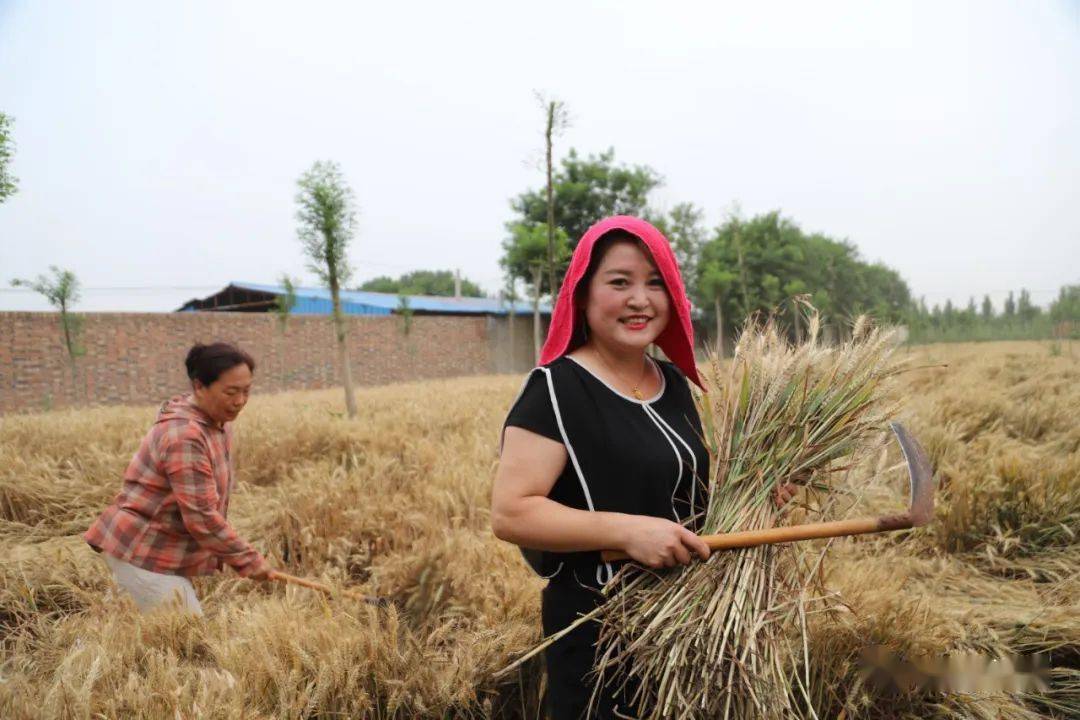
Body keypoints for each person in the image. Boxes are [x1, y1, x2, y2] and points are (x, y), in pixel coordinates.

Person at [491, 216, 795, 719]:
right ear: (582, 296)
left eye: (656, 283)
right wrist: (628, 532)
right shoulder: (557, 389)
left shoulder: (672, 383)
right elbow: (511, 514)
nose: (641, 299)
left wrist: (755, 495)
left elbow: (681, 499)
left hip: (690, 626)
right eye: (620, 282)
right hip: (601, 632)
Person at [84, 341, 273, 614]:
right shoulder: (184, 435)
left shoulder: (217, 422)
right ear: (199, 387)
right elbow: (201, 517)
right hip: (140, 550)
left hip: (161, 549)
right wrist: (247, 560)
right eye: (231, 392)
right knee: (188, 637)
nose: (240, 401)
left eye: (246, 391)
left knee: (161, 636)